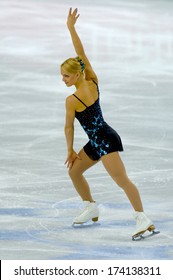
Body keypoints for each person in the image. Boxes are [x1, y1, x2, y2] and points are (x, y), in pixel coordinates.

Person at [60, 8, 155, 238]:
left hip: (104, 141)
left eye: (66, 76)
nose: (63, 79)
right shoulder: (91, 78)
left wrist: (70, 149)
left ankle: (142, 218)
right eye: (62, 75)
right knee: (74, 172)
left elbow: (69, 127)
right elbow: (80, 52)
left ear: (75, 75)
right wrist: (71, 29)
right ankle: (90, 206)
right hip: (100, 137)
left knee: (122, 180)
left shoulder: (72, 100)